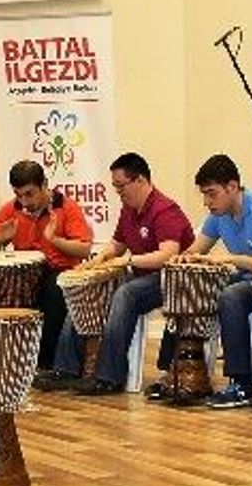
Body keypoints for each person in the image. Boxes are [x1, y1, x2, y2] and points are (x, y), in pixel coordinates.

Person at [33, 153, 194, 395]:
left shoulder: (165, 210)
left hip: (171, 278)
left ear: (140, 180)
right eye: (115, 186)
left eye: (121, 186)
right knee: (86, 288)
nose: (118, 192)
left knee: (125, 293)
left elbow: (168, 255)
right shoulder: (129, 209)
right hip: (142, 275)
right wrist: (96, 262)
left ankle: (108, 376)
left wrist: (128, 260)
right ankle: (65, 369)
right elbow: (117, 245)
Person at [173, 154, 252, 409]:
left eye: (212, 194)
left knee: (230, 296)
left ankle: (242, 383)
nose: (207, 202)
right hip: (249, 278)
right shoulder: (218, 215)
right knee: (188, 287)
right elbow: (196, 250)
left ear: (232, 187)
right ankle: (180, 371)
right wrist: (184, 259)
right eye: (204, 195)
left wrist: (230, 258)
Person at [0, 160, 92, 370]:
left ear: (44, 184)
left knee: (54, 293)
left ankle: (44, 363)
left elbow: (84, 249)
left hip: (57, 270)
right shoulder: (11, 208)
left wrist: (54, 240)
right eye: (18, 195)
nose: (24, 201)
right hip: (23, 274)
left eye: (29, 194)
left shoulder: (66, 207)